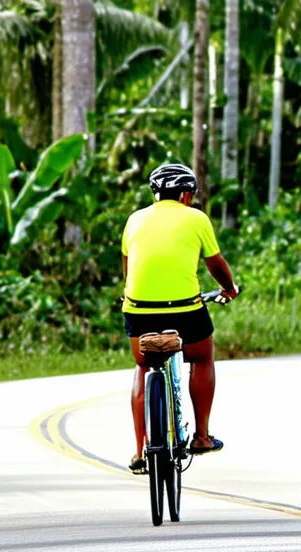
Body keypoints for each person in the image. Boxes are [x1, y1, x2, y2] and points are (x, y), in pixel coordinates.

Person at [122, 163, 240, 474]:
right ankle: (201, 436)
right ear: (186, 195)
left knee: (143, 365)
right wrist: (229, 289)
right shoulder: (196, 219)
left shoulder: (134, 220)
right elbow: (215, 265)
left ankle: (138, 451)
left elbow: (128, 268)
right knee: (202, 357)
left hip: (138, 309)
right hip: (186, 310)